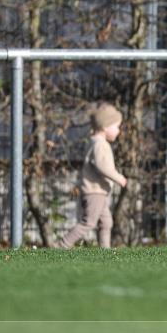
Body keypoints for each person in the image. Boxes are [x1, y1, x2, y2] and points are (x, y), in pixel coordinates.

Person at [58, 103, 128, 249]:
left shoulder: (93, 142)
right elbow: (103, 166)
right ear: (105, 127)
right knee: (88, 223)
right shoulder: (100, 145)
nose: (118, 131)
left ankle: (105, 250)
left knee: (106, 222)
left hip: (98, 192)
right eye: (116, 127)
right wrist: (118, 177)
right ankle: (62, 245)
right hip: (94, 191)